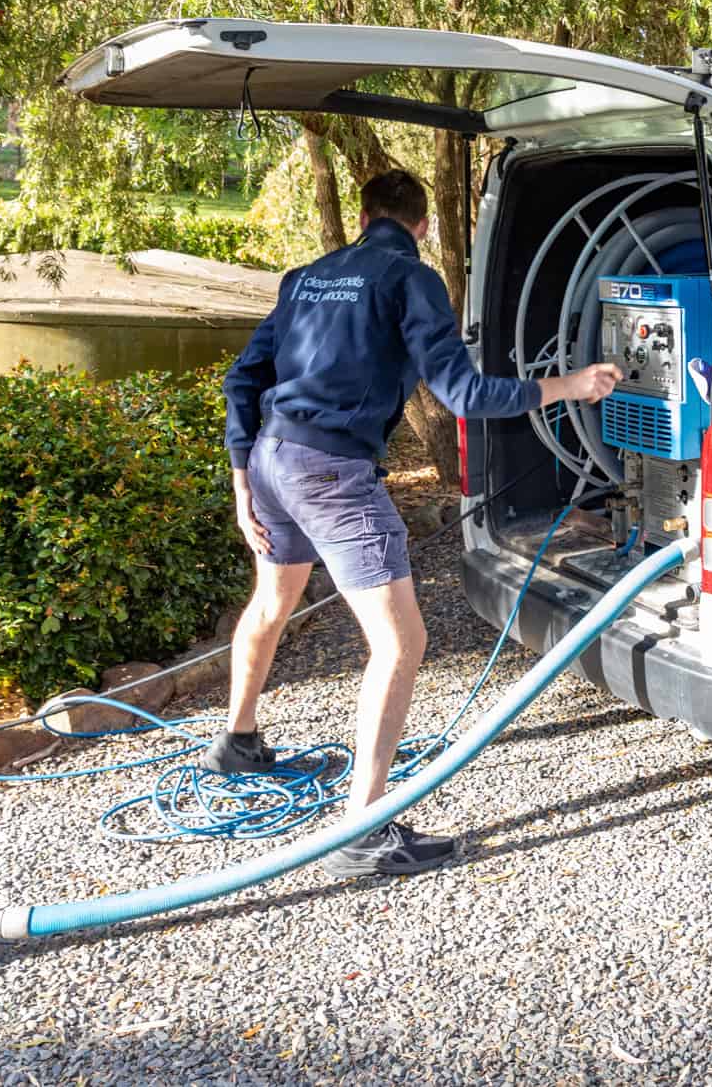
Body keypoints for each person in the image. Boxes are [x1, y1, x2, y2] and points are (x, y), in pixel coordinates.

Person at [210, 167, 620, 878]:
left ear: (365, 213)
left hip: (274, 457)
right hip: (331, 471)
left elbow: (243, 376)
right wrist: (570, 385)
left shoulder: (305, 276)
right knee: (402, 641)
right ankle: (362, 832)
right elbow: (463, 393)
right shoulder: (412, 277)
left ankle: (238, 739)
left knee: (272, 601)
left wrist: (243, 473)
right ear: (421, 226)